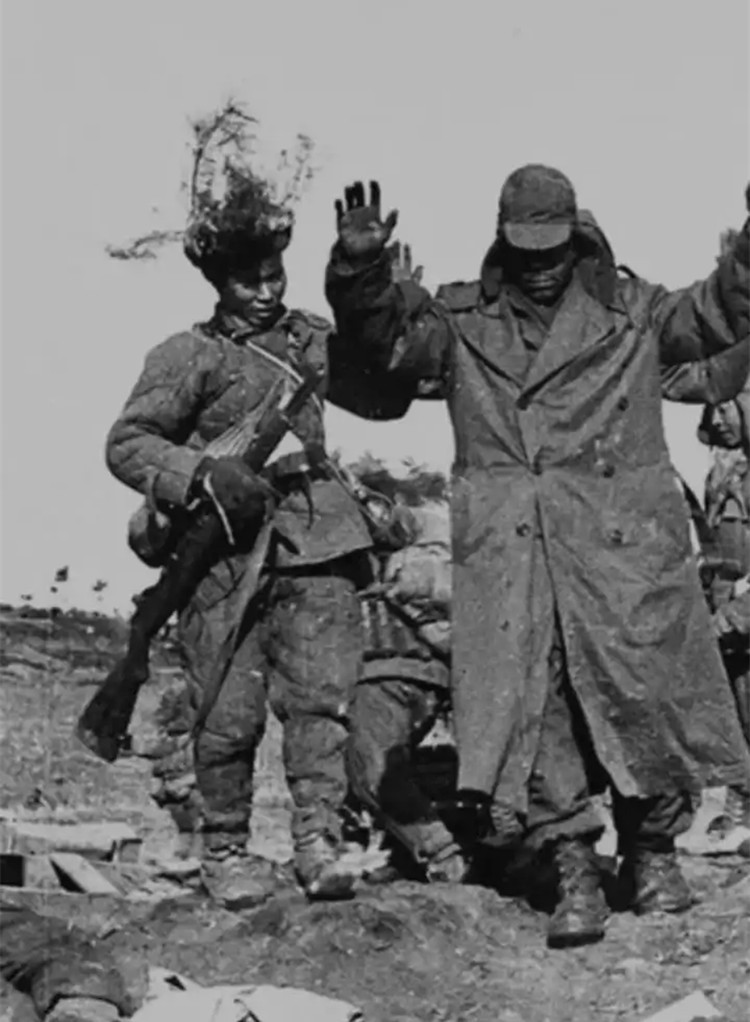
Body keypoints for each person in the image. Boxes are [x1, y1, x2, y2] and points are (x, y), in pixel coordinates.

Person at [324, 167, 750, 948]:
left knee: (642, 695)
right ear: (503, 244)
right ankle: (574, 867)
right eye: (527, 251)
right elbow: (385, 346)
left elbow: (718, 312)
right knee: (534, 707)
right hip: (512, 554)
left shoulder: (634, 311)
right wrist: (361, 271)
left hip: (620, 552)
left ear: (577, 236)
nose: (543, 265)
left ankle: (653, 852)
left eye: (554, 248)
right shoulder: (460, 321)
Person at [105, 107, 413, 910]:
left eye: (276, 274)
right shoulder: (188, 355)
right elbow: (128, 443)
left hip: (315, 541)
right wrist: (200, 471)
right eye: (251, 281)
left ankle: (319, 844)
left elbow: (386, 399)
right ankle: (227, 851)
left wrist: (378, 292)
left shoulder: (310, 340)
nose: (269, 291)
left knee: (321, 705)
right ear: (220, 283)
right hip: (221, 554)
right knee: (226, 713)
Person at [345, 487, 467, 883]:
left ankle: (444, 857)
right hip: (403, 673)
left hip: (396, 671)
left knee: (374, 769)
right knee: (381, 767)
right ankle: (402, 852)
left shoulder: (425, 530)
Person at [697, 381, 750, 842]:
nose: (717, 419)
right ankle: (740, 812)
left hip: (741, 618)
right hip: (726, 618)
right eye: (711, 410)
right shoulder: (720, 474)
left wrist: (733, 617)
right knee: (736, 719)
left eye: (726, 409)